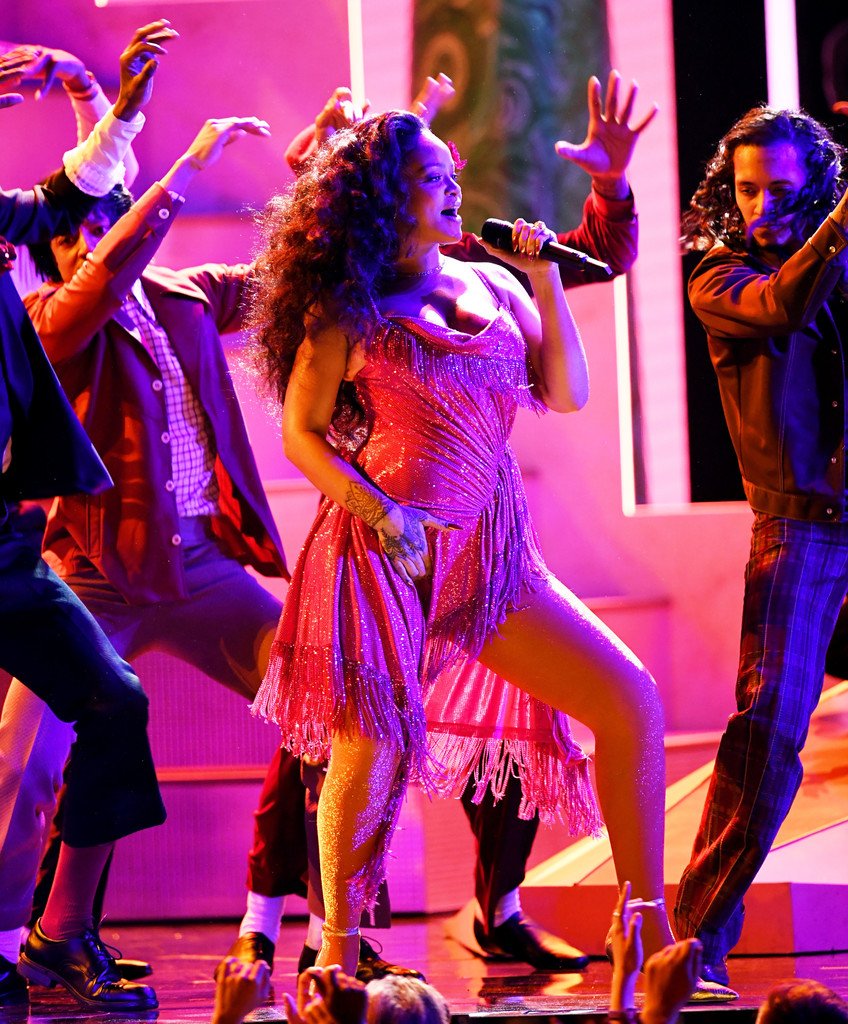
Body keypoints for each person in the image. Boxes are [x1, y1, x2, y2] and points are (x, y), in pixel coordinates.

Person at [228, 69, 659, 980]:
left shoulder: (494, 283)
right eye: (433, 176)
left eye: (451, 169)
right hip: (381, 552)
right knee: (372, 744)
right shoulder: (345, 308)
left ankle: (649, 932)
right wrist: (379, 511)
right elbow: (303, 433)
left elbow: (566, 394)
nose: (455, 184)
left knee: (630, 699)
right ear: (388, 200)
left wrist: (543, 279)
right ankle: (337, 958)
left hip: (493, 558)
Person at [0, 107, 286, 984]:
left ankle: (316, 926)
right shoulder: (48, 317)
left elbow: (289, 279)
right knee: (24, 766)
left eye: (107, 223)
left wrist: (328, 174)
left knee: (329, 704)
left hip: (204, 572)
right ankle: (21, 944)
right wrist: (185, 165)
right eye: (74, 232)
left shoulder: (189, 294)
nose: (92, 243)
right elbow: (94, 288)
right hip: (93, 577)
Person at [0, 20, 177, 1011]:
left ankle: (57, 939)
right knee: (14, 764)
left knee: (114, 701)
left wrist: (121, 108)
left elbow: (66, 200)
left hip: (7, 547)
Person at [672, 106, 848, 990]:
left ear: (815, 185)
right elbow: (783, 308)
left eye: (780, 189)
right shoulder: (720, 273)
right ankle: (696, 942)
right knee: (769, 730)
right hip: (801, 529)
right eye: (746, 189)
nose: (759, 207)